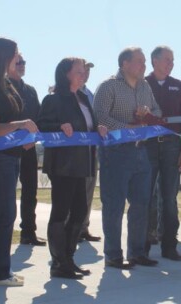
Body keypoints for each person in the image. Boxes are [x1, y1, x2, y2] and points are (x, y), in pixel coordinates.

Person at [0, 37, 38, 286]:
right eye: (15, 53)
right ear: (3, 56)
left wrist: (24, 135)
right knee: (5, 214)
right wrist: (21, 125)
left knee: (1, 214)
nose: (18, 57)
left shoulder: (7, 85)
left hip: (11, 155)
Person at [38, 57, 106, 279]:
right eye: (79, 70)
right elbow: (41, 127)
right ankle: (58, 263)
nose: (83, 74)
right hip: (62, 165)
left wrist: (99, 129)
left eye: (84, 71)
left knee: (79, 213)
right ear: (66, 73)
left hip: (83, 163)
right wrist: (58, 126)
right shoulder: (54, 99)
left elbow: (88, 127)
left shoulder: (84, 99)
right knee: (61, 212)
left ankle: (68, 258)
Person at [94, 47, 161, 269]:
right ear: (124, 64)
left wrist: (147, 115)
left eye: (144, 62)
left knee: (141, 204)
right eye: (140, 62)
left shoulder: (145, 86)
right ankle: (113, 255)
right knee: (114, 205)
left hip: (142, 151)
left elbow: (157, 113)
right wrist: (130, 128)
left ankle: (137, 253)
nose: (144, 66)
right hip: (116, 153)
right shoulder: (108, 86)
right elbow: (100, 117)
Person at [144, 46, 181, 261]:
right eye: (166, 59)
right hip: (147, 146)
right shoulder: (142, 84)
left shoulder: (179, 86)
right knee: (146, 197)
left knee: (169, 198)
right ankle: (143, 245)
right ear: (154, 60)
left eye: (172, 60)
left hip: (173, 146)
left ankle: (170, 245)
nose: (170, 64)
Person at [8, 54, 45, 246]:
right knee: (6, 193)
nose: (22, 65)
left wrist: (32, 139)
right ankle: (4, 232)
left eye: (24, 62)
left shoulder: (30, 91)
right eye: (18, 62)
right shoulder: (1, 88)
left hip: (29, 147)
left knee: (30, 190)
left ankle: (28, 232)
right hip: (6, 148)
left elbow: (38, 117)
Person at [80, 60, 102, 242]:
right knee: (74, 192)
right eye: (82, 70)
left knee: (88, 190)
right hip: (73, 153)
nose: (86, 73)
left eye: (88, 70)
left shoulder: (89, 94)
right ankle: (70, 228)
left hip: (91, 151)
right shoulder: (64, 93)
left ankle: (83, 227)